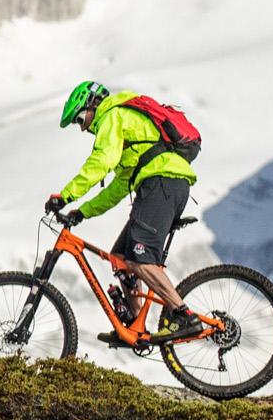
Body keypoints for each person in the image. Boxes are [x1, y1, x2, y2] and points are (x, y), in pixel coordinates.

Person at [43, 79, 200, 343]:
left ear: (92, 105)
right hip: (163, 184)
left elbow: (101, 161)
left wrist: (66, 196)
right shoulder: (130, 135)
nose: (82, 128)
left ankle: (184, 316)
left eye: (80, 119)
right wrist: (82, 212)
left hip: (162, 182)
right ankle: (134, 325)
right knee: (120, 257)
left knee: (140, 258)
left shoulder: (112, 115)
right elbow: (118, 187)